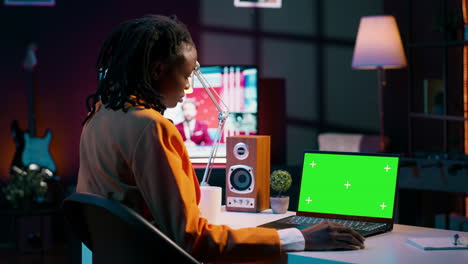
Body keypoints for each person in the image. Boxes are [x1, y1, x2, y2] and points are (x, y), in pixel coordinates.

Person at [76, 14, 365, 263]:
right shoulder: (152, 127)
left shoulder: (98, 117)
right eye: (186, 75)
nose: (189, 87)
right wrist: (297, 237)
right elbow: (193, 240)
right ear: (158, 71)